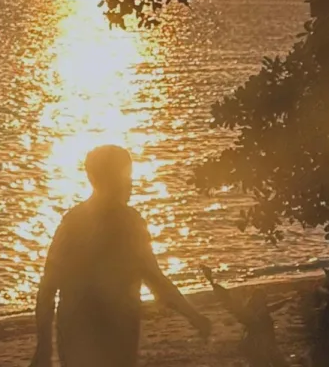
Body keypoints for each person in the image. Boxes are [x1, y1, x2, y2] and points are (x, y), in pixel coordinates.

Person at [30, 145, 212, 367]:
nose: (131, 184)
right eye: (126, 176)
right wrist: (193, 316)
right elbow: (155, 279)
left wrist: (44, 346)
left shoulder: (78, 222)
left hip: (94, 334)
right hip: (101, 335)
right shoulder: (123, 223)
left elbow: (47, 287)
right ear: (106, 179)